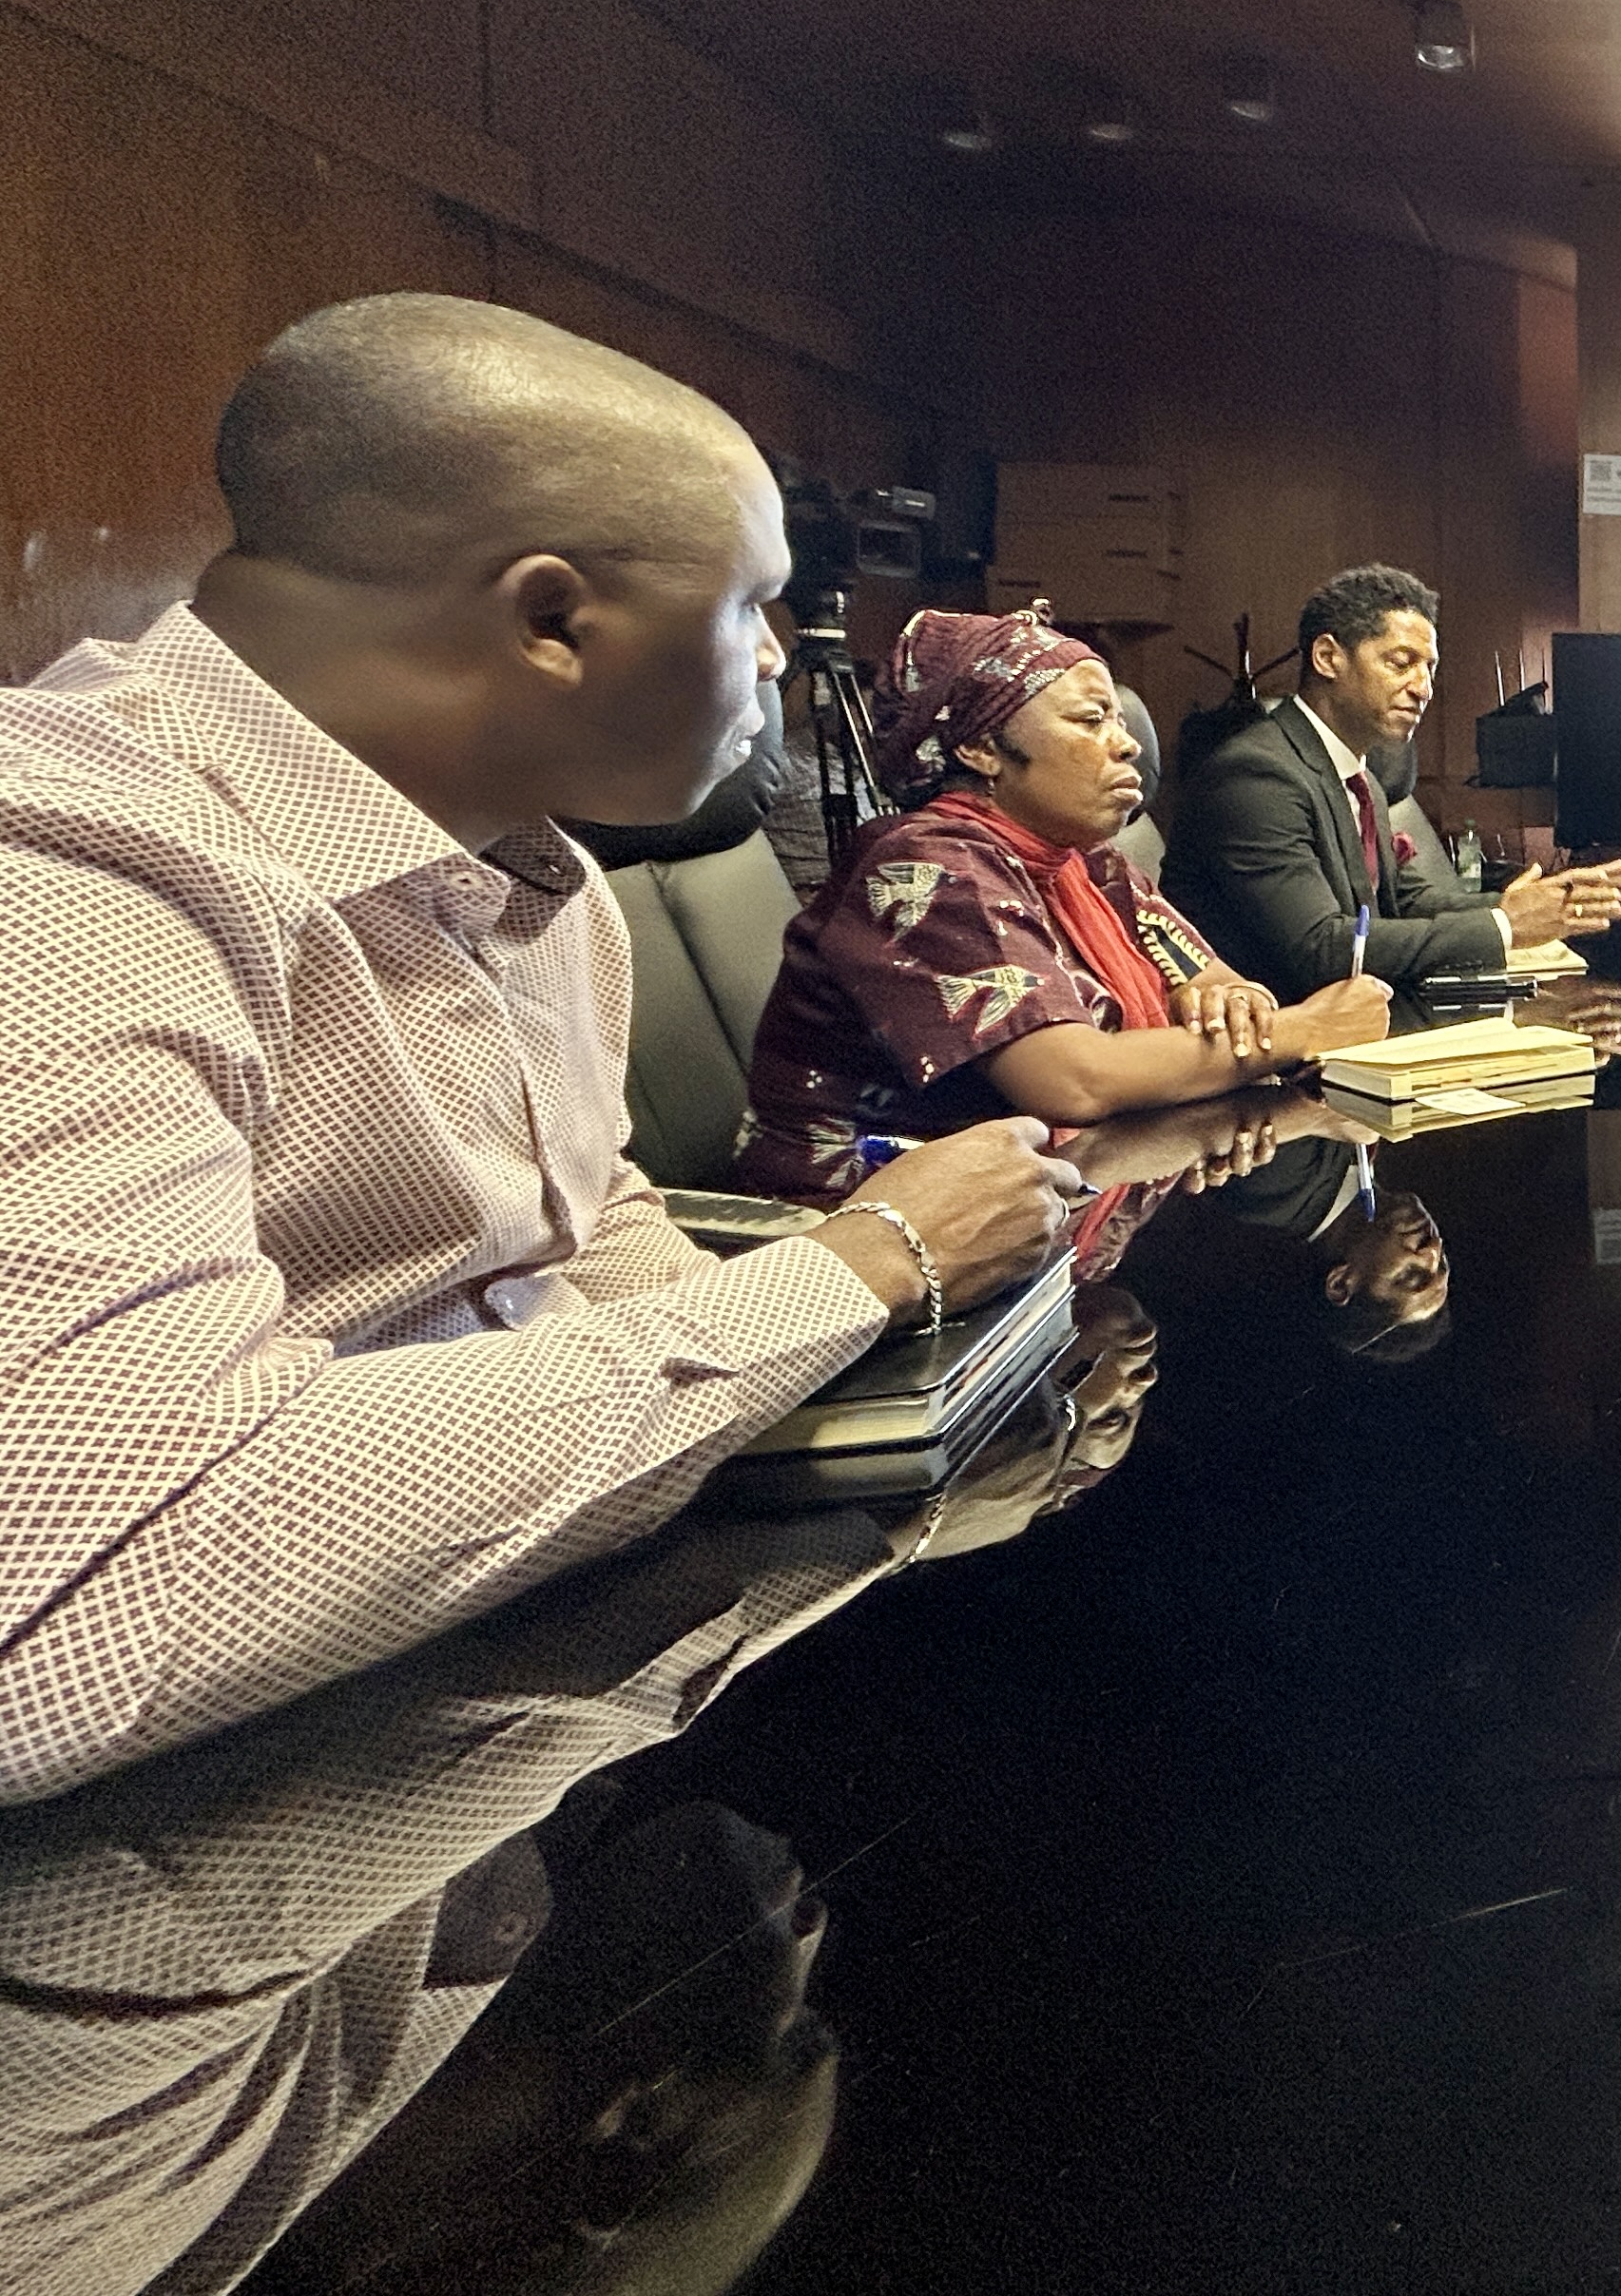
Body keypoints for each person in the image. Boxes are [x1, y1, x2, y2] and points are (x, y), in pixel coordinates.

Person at [0, 292, 1075, 1806]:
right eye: (749, 605)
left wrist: (848, 1369)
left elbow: (587, 1225)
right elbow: (80, 1605)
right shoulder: (67, 873)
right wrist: (856, 1264)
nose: (778, 659)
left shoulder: (538, 877)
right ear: (554, 621)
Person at [733, 606, 1386, 1201]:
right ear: (981, 748)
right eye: (1089, 718)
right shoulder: (927, 865)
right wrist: (1303, 1031)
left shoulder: (1089, 863)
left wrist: (1234, 1000)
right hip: (866, 1229)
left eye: (1120, 722)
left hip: (1042, 1195)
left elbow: (1206, 975)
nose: (1127, 743)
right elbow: (1074, 1082)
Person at [1165, 563, 1621, 998]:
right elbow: (1322, 950)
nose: (1423, 687)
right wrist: (1505, 926)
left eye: (1428, 667)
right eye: (1400, 662)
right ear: (1328, 658)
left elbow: (1400, 900)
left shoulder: (1358, 773)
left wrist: (1530, 903)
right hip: (1272, 1050)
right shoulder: (1255, 775)